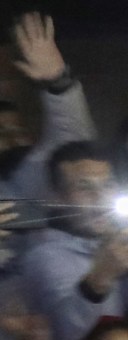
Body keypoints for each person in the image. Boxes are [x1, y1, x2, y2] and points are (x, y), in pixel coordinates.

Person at [20, 140, 128, 340]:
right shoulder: (45, 256)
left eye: (107, 185)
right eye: (84, 187)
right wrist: (101, 275)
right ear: (57, 197)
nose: (100, 198)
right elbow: (65, 334)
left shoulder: (116, 242)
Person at [0, 14, 96, 206]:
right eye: (1, 133)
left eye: (19, 130)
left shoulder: (36, 173)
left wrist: (58, 80)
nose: (13, 139)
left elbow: (72, 140)